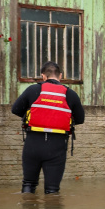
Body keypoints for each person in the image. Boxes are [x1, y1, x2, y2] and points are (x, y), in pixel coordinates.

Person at [11, 62, 85, 194]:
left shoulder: (33, 90)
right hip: (56, 146)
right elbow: (80, 119)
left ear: (43, 76)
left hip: (33, 143)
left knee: (28, 183)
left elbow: (15, 109)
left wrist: (33, 115)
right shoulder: (71, 94)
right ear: (60, 76)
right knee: (52, 190)